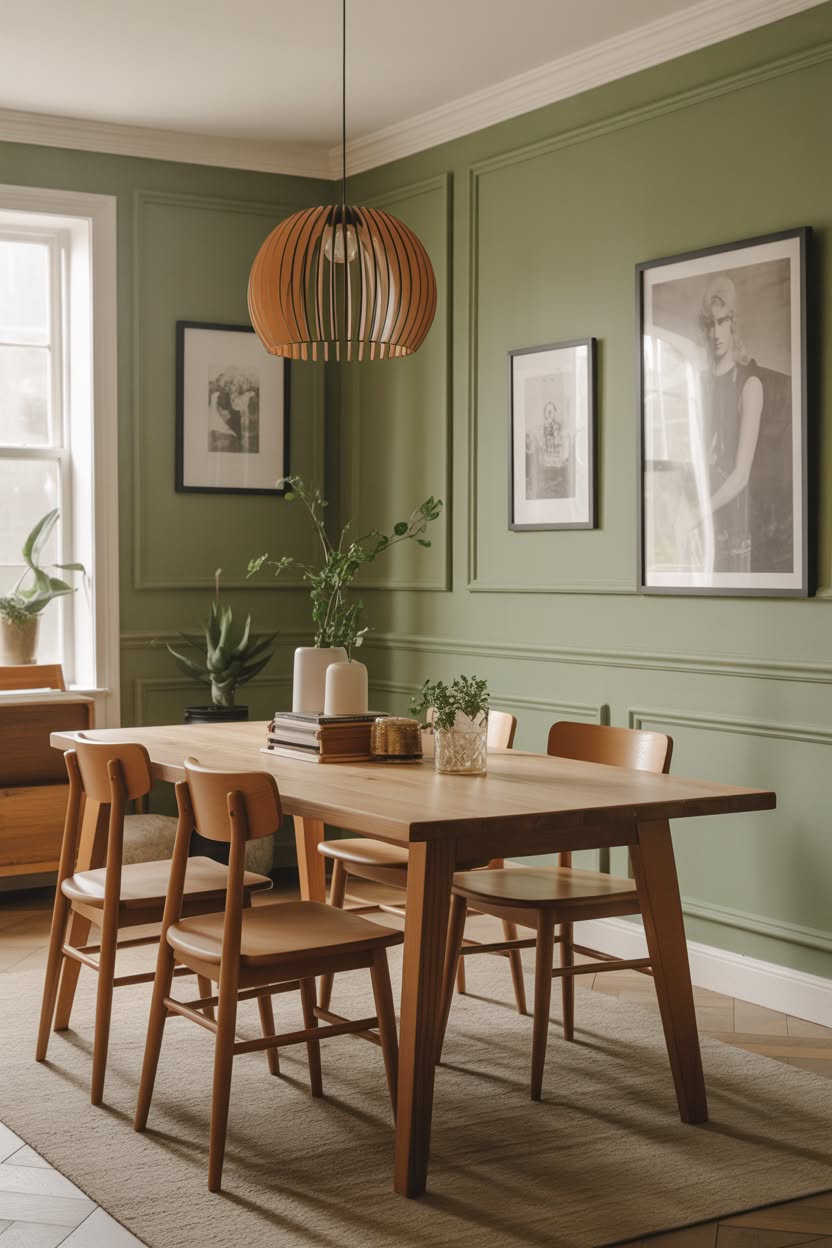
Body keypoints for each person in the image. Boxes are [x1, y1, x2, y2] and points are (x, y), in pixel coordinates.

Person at [698, 275, 764, 573]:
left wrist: (696, 513)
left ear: (732, 323)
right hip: (701, 526)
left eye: (722, 322)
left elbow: (741, 476)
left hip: (733, 522)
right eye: (710, 324)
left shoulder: (750, 385)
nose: (716, 333)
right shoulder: (699, 384)